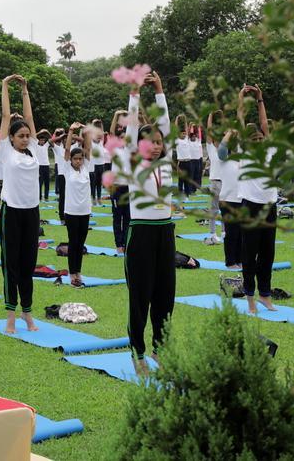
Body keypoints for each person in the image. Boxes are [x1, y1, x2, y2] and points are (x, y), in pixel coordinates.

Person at [116, 70, 174, 373]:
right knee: (140, 296)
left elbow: (163, 122)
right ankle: (137, 353)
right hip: (140, 234)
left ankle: (160, 350)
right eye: (149, 142)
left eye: (159, 142)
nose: (155, 146)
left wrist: (160, 89)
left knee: (165, 297)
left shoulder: (165, 161)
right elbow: (132, 127)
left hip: (166, 232)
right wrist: (136, 93)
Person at [0, 74, 41, 334]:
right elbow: (5, 116)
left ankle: (27, 313)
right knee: (10, 264)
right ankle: (11, 315)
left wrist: (25, 90)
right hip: (11, 212)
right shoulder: (6, 151)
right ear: (10, 138)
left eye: (26, 135)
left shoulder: (33, 150)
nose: (24, 138)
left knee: (27, 264)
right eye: (20, 136)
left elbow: (29, 119)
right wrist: (5, 86)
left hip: (31, 212)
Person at [235, 84, 278, 313]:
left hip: (270, 207)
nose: (260, 141)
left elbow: (264, 124)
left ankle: (265, 295)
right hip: (250, 207)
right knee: (249, 254)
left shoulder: (270, 150)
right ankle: (250, 296)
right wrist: (242, 99)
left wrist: (260, 99)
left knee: (268, 254)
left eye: (262, 138)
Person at [209, 111, 243, 267]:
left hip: (242, 198)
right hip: (228, 200)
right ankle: (230, 261)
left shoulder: (241, 157)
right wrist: (229, 131)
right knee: (232, 233)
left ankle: (240, 259)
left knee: (241, 232)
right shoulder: (223, 157)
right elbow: (223, 147)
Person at [62, 124, 94, 288]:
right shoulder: (67, 169)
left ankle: (78, 272)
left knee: (80, 244)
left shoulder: (85, 168)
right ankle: (72, 273)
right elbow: (67, 149)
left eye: (80, 158)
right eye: (76, 159)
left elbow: (87, 147)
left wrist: (87, 130)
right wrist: (71, 131)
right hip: (72, 212)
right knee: (73, 242)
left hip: (85, 211)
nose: (78, 161)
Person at [108, 111, 131, 254]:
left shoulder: (130, 151)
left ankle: (127, 243)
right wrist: (117, 116)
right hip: (116, 188)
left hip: (128, 188)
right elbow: (111, 132)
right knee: (118, 218)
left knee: (128, 218)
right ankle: (119, 244)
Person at [33, 130, 51, 201]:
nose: (42, 141)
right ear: (38, 141)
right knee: (40, 183)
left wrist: (47, 132)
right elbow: (33, 137)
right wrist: (41, 132)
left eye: (43, 140)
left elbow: (51, 138)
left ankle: (46, 197)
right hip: (39, 166)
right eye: (41, 140)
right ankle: (39, 197)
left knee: (47, 183)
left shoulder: (46, 146)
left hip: (46, 165)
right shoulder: (36, 146)